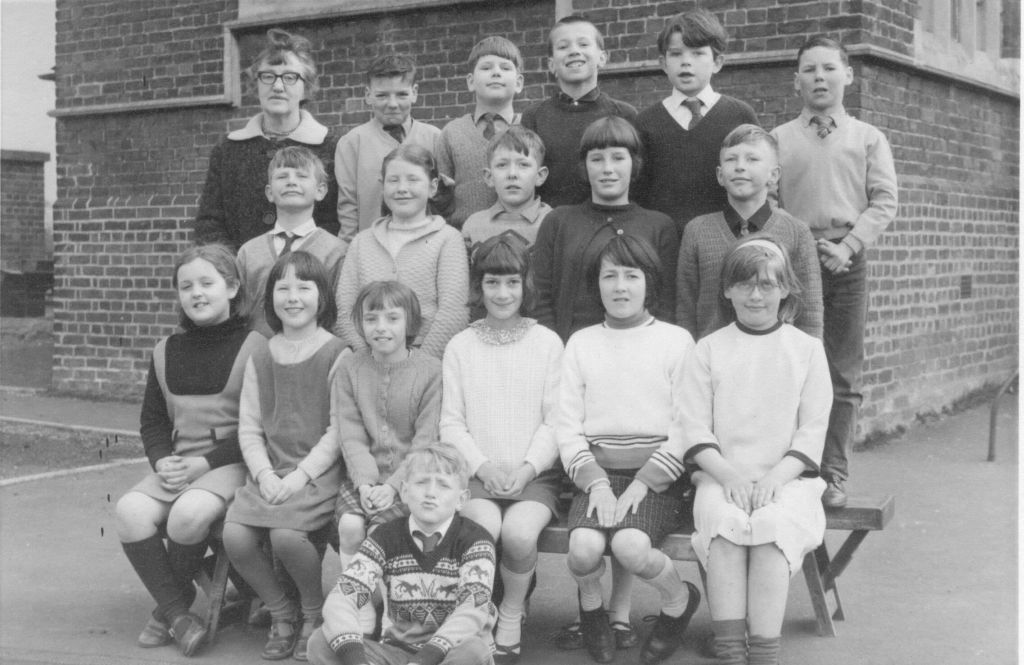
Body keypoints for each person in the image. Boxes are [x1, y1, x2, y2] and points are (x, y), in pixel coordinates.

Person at [678, 237, 832, 665]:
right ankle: (730, 653)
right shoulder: (708, 349)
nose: (756, 295)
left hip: (788, 481)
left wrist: (773, 480)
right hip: (721, 475)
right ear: (727, 290)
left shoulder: (806, 350)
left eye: (767, 285)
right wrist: (727, 477)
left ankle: (764, 654)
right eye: (744, 285)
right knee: (726, 530)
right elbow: (693, 427)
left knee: (769, 532)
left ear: (785, 289)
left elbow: (813, 430)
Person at [115, 244, 264, 657]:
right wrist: (162, 459)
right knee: (128, 512)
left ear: (232, 287)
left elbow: (262, 427)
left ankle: (167, 611)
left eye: (207, 283)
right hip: (179, 464)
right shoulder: (165, 350)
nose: (196, 293)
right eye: (186, 286)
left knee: (188, 515)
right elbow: (153, 422)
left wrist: (205, 463)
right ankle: (179, 613)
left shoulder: (256, 347)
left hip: (231, 463)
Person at [557, 235, 700, 665]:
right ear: (596, 284)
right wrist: (595, 483)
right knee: (582, 547)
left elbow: (687, 423)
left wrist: (646, 481)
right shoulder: (581, 343)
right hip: (599, 476)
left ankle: (678, 599)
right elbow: (566, 423)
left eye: (631, 276)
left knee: (631, 546)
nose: (620, 287)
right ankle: (592, 608)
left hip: (656, 479)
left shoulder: (676, 341)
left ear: (648, 282)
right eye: (610, 276)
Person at [770, 36, 898, 508]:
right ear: (796, 80)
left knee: (842, 371)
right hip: (794, 261)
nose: (819, 78)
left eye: (828, 68)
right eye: (809, 70)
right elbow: (769, 198)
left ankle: (834, 473)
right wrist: (794, 246)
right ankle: (793, 467)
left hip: (846, 261)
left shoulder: (868, 138)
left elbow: (885, 200)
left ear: (848, 75)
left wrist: (848, 245)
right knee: (790, 368)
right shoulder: (779, 139)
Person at [440, 236, 563, 663]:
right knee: (482, 530)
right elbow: (451, 422)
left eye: (512, 282)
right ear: (479, 286)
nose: (503, 293)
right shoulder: (461, 346)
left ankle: (512, 608)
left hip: (534, 475)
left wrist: (529, 468)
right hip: (479, 474)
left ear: (525, 285)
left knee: (518, 534)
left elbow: (555, 419)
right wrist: (483, 466)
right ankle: (479, 614)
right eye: (492, 283)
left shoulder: (547, 342)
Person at [223, 251, 348, 661]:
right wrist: (263, 474)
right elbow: (250, 426)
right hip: (270, 470)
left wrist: (298, 478)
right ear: (270, 297)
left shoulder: (337, 353)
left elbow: (337, 430)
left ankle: (313, 612)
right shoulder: (261, 352)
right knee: (236, 535)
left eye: (304, 287)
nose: (293, 297)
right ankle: (282, 611)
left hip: (316, 473)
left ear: (323, 297)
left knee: (286, 536)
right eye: (283, 288)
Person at [307, 443, 497, 665]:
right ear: (404, 492)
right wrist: (355, 660)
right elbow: (342, 597)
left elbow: (473, 609)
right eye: (421, 482)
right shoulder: (385, 536)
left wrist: (424, 660)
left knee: (473, 651)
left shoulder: (475, 541)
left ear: (461, 500)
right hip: (397, 652)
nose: (430, 493)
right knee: (320, 641)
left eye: (443, 485)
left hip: (449, 653)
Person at [332, 280, 443, 634]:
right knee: (350, 527)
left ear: (409, 324)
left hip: (410, 480)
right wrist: (365, 484)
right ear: (360, 323)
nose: (381, 327)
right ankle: (361, 604)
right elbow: (350, 433)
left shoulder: (430, 370)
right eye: (371, 318)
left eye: (392, 318)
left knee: (383, 531)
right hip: (363, 477)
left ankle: (391, 614)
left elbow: (426, 440)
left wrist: (395, 487)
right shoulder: (351, 368)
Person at [533, 115, 678, 342]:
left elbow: (666, 304)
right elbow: (540, 297)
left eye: (618, 158)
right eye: (597, 159)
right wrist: (556, 347)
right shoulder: (558, 221)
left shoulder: (659, 226)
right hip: (569, 354)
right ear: (585, 166)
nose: (607, 169)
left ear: (634, 163)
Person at [194, 28, 340, 249]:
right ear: (256, 83)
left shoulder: (331, 147)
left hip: (307, 277)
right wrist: (239, 268)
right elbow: (210, 224)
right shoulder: (228, 150)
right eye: (268, 76)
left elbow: (334, 221)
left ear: (305, 87)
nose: (278, 86)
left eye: (290, 77)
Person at [676, 125, 822, 340]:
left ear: (774, 175)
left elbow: (810, 314)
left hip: (776, 361)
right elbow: (685, 309)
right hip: (714, 362)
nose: (740, 167)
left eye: (752, 159)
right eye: (731, 159)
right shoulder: (697, 230)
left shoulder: (796, 232)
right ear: (719, 175)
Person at [334, 145, 469, 359]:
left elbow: (454, 313)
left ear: (433, 187)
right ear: (383, 185)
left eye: (413, 180)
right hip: (369, 361)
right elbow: (344, 311)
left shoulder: (447, 239)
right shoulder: (362, 242)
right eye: (393, 180)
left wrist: (418, 367)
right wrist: (365, 358)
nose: (402, 188)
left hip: (428, 363)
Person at [634, 9, 759, 235]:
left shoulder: (739, 115)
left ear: (717, 62)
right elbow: (638, 192)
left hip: (726, 241)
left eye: (697, 53)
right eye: (676, 54)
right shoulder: (645, 122)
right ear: (663, 63)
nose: (686, 63)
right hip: (664, 244)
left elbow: (759, 183)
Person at [521, 15, 637, 208]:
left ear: (602, 58)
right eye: (563, 47)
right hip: (551, 225)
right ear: (551, 65)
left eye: (583, 44)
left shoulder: (625, 114)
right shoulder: (534, 116)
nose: (574, 51)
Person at [236, 146, 347, 337]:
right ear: (270, 193)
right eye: (282, 176)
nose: (291, 182)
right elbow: (239, 311)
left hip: (313, 356)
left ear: (320, 191)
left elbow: (340, 317)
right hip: (256, 354)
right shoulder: (248, 251)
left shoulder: (337, 252)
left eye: (301, 176)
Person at [335, 54, 442, 246]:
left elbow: (444, 199)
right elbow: (347, 207)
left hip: (426, 247)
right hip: (372, 248)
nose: (392, 104)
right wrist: (348, 251)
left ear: (414, 92)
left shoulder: (435, 138)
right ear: (368, 95)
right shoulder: (352, 143)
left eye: (401, 94)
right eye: (382, 95)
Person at [434, 36, 525, 230]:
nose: (496, 73)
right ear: (470, 82)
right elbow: (441, 199)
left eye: (505, 68)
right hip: (465, 240)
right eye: (486, 68)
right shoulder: (452, 133)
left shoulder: (529, 127)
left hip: (521, 239)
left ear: (518, 83)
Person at [460, 126, 551, 256]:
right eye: (502, 165)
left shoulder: (553, 223)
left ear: (540, 176)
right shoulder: (473, 226)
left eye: (523, 165)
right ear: (489, 177)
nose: (512, 174)